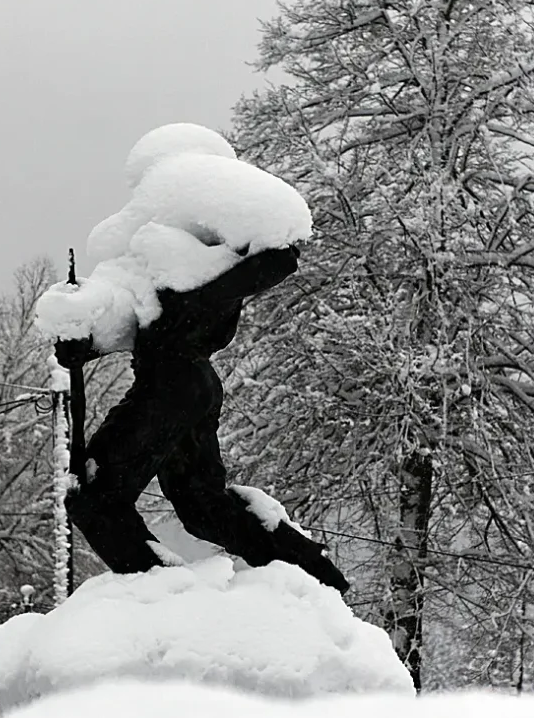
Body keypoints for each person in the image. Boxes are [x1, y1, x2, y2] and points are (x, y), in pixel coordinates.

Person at [55, 242, 350, 594]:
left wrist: (215, 280)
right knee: (201, 506)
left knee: (94, 499)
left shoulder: (198, 236)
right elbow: (124, 317)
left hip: (169, 385)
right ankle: (310, 571)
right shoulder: (154, 243)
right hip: (187, 384)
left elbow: (278, 260)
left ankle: (170, 593)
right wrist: (80, 340)